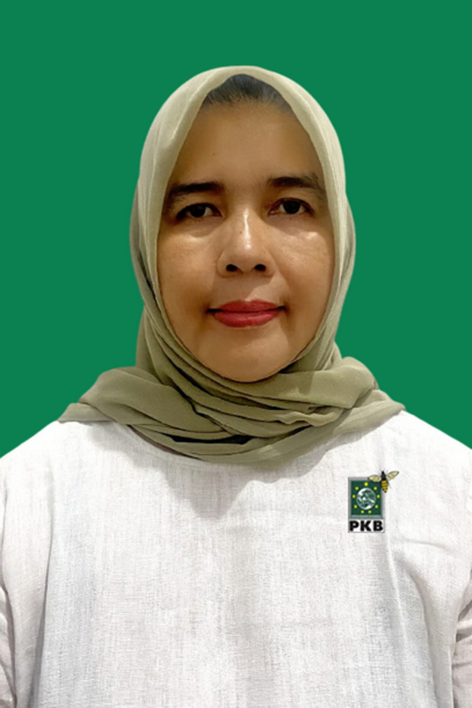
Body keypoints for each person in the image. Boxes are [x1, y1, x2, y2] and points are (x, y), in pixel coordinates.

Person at [0, 66, 470, 707]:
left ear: (341, 237)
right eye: (198, 209)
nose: (245, 250)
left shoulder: (449, 495)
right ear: (145, 242)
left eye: (291, 206)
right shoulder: (27, 507)